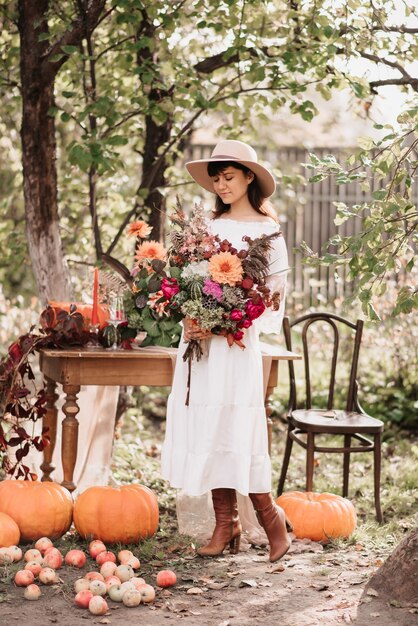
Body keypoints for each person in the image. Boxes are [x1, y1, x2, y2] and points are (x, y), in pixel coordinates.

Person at [161, 139, 290, 562]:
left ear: (249, 176)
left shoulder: (269, 232)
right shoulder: (208, 230)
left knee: (238, 427)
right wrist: (190, 316)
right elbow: (186, 283)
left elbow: (272, 298)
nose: (221, 185)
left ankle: (271, 520)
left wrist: (228, 322)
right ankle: (225, 524)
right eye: (216, 179)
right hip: (199, 345)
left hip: (235, 346)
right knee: (209, 427)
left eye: (229, 176)